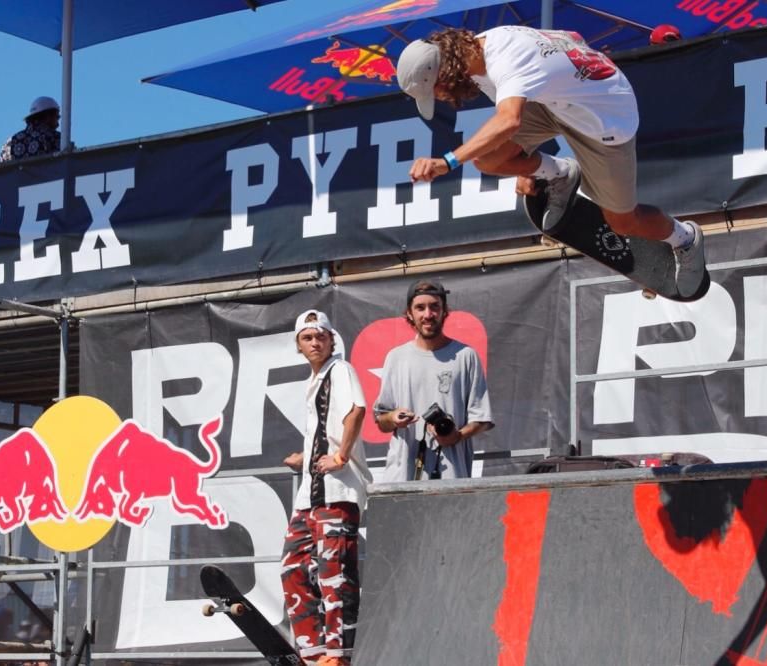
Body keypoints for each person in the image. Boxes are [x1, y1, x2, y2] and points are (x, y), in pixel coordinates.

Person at [395, 27, 707, 297]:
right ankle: (559, 174)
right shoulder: (477, 48)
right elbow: (571, 38)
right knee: (488, 159)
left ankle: (685, 239)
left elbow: (509, 122)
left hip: (604, 120)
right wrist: (526, 162)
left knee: (623, 222)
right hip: (555, 103)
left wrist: (447, 162)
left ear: (446, 73)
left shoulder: (506, 59)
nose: (445, 99)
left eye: (438, 92)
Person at [281, 309, 371, 666]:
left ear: (332, 340)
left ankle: (338, 655)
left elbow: (357, 411)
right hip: (311, 494)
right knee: (294, 567)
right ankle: (313, 652)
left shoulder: (340, 369)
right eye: (307, 337)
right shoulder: (314, 380)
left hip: (338, 490)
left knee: (335, 573)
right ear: (298, 346)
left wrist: (341, 456)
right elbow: (328, 429)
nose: (315, 342)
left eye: (321, 336)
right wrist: (305, 457)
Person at [373, 280, 493, 481]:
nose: (428, 315)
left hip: (452, 477)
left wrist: (457, 436)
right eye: (420, 308)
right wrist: (393, 417)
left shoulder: (465, 356)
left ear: (444, 311)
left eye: (434, 306)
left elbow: (481, 418)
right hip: (403, 477)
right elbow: (382, 421)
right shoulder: (396, 357)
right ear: (410, 314)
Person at [0, 96, 61, 162]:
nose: (58, 123)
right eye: (57, 117)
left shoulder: (10, 143)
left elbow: (0, 169)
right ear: (48, 116)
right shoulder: (55, 138)